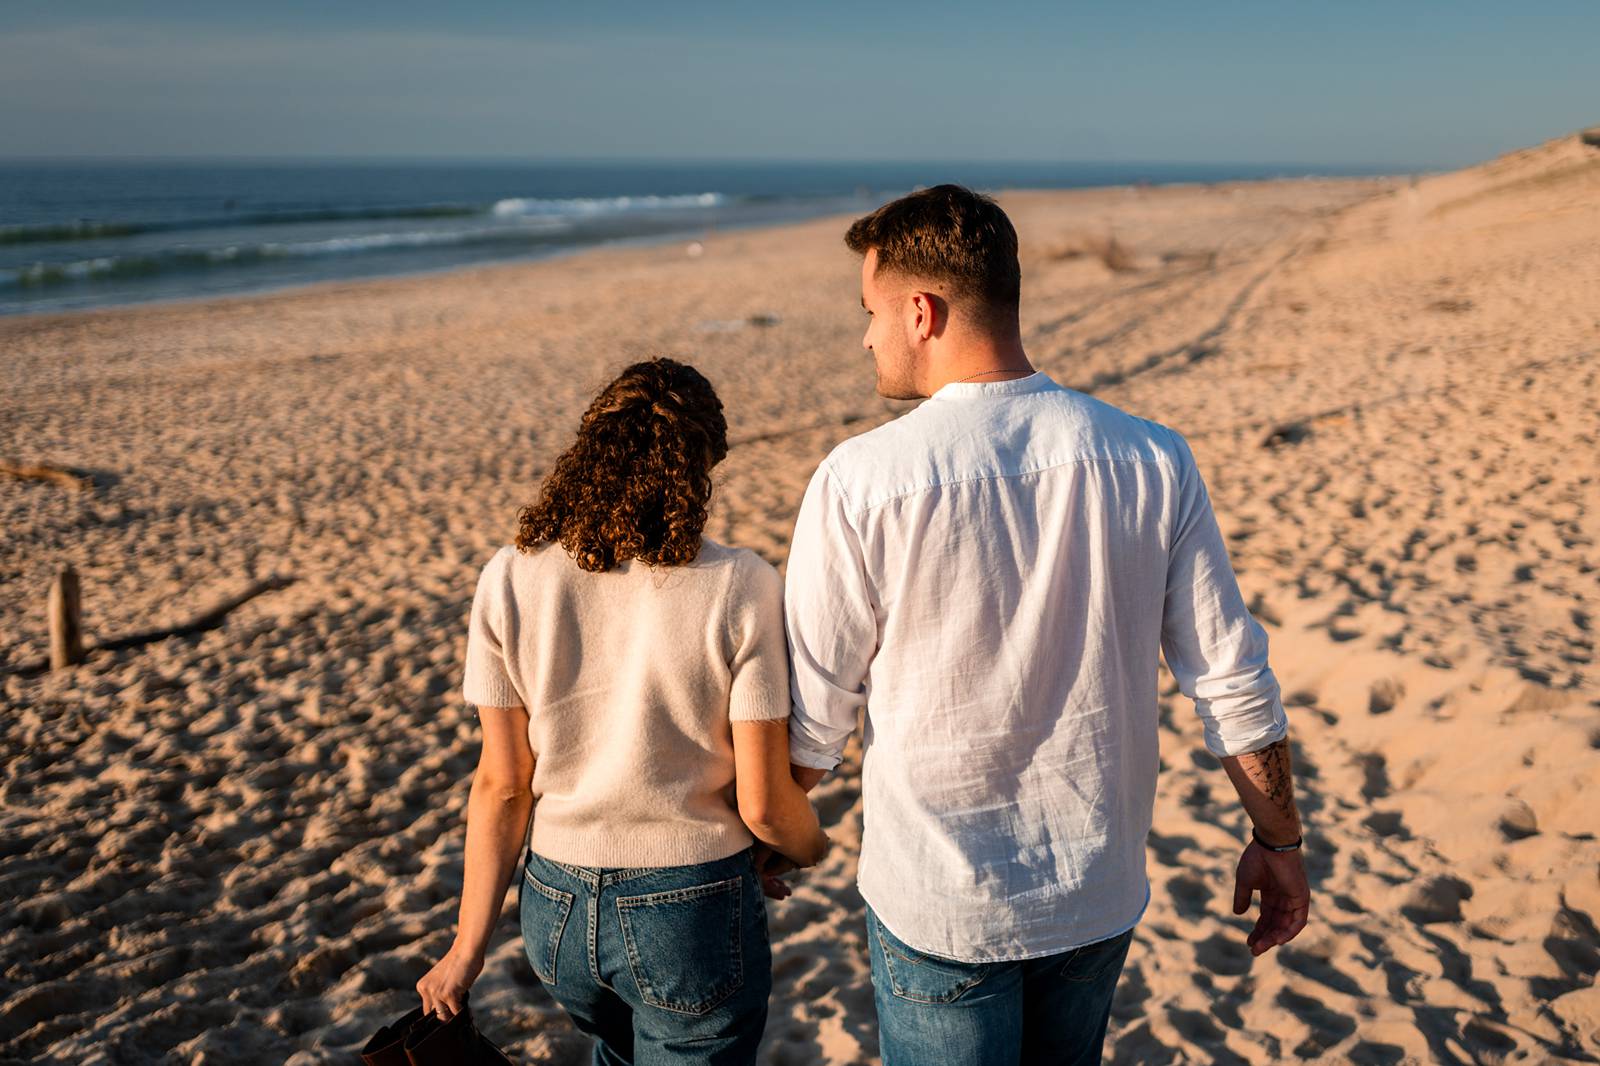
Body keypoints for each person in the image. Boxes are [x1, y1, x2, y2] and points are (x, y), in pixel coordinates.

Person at [779, 185, 1309, 1065]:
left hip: (942, 905)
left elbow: (816, 718)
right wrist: (1280, 841)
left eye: (869, 312)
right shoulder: (1150, 455)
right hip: (1093, 891)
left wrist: (774, 832)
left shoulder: (861, 479)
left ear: (922, 311)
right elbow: (1230, 680)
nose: (866, 336)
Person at [417, 358, 830, 1066]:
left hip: (555, 910)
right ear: (697, 469)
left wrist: (465, 949)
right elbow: (763, 803)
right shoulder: (740, 584)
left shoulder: (510, 577)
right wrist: (808, 850)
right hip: (690, 905)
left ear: (591, 451)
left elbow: (503, 784)